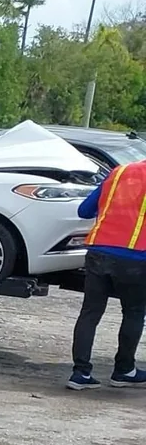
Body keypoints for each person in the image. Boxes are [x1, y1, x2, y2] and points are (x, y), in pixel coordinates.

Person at [70, 157, 146, 389]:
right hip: (135, 256)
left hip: (98, 250)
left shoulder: (119, 172)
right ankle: (124, 370)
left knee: (90, 312)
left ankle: (80, 374)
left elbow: (84, 210)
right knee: (134, 312)